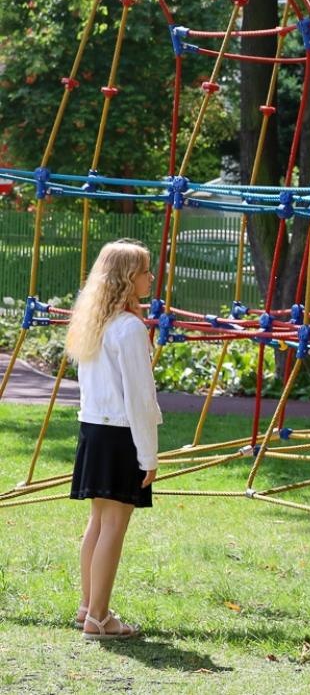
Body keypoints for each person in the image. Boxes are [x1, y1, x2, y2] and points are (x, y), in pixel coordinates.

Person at [68, 239, 161, 640]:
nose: (151, 277)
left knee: (98, 521)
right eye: (145, 271)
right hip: (121, 435)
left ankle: (89, 606)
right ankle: (100, 619)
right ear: (128, 278)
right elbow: (139, 399)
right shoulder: (128, 329)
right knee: (113, 527)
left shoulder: (94, 325)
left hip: (93, 430)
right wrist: (149, 456)